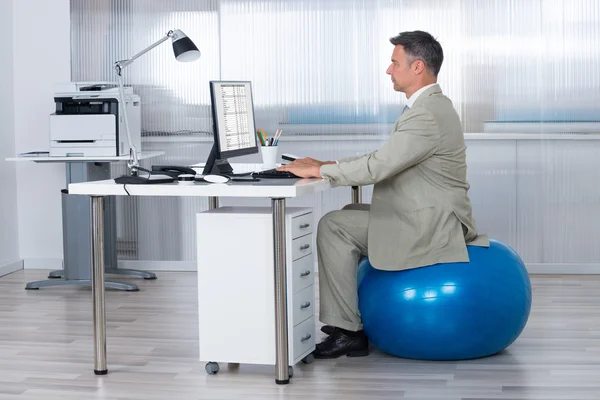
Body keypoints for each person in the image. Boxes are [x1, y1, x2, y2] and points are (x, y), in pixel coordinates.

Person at [278, 30, 489, 359]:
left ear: (417, 67)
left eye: (394, 63)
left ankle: (348, 330)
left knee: (334, 225)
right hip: (430, 213)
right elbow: (386, 157)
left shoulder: (426, 114)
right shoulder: (430, 106)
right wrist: (327, 164)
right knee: (352, 208)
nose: (388, 70)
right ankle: (353, 314)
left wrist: (320, 172)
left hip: (434, 226)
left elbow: (379, 167)